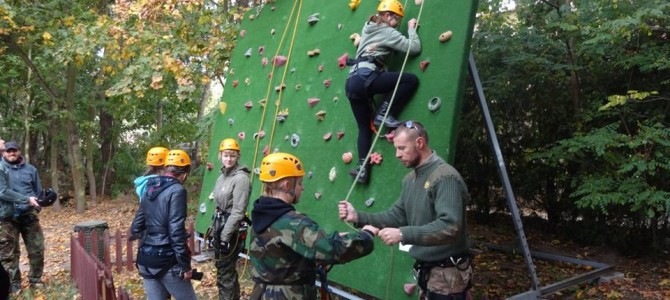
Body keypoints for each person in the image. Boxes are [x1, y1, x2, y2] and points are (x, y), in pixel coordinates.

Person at [338, 121, 473, 299]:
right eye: (396, 148)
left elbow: (450, 227)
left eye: (402, 148)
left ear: (419, 143)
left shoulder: (445, 177)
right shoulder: (410, 179)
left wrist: (403, 234)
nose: (397, 155)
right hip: (429, 274)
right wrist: (358, 216)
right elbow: (396, 216)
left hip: (447, 277)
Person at [249, 152, 378, 299]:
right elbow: (332, 250)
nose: (302, 188)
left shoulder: (262, 213)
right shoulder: (294, 223)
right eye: (299, 183)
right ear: (287, 185)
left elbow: (288, 251)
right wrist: (366, 235)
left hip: (261, 293)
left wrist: (332, 239)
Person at [345, 0, 421, 184]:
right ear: (387, 16)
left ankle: (363, 170)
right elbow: (414, 48)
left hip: (352, 82)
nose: (398, 25)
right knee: (410, 80)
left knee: (364, 128)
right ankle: (384, 113)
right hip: (367, 78)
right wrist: (411, 29)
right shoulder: (387, 31)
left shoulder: (368, 27)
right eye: (397, 20)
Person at [130, 149, 197, 300]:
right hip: (166, 260)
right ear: (184, 174)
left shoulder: (149, 186)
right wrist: (185, 266)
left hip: (146, 260)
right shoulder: (177, 190)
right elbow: (176, 230)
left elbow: (136, 227)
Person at [1, 141, 46, 290]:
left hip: (28, 213)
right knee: (9, 253)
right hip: (8, 216)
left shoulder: (31, 170)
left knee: (37, 248)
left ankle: (35, 280)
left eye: (14, 150)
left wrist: (37, 207)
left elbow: (38, 191)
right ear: (3, 153)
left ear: (19, 151)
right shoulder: (1, 169)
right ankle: (14, 284)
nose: (11, 153)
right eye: (8, 151)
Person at [211, 138, 251, 300]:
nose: (229, 159)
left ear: (237, 157)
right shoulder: (222, 176)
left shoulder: (241, 178)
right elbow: (219, 205)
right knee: (225, 270)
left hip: (231, 229)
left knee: (225, 271)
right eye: (226, 155)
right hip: (220, 225)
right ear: (220, 155)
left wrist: (225, 236)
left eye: (232, 156)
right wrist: (213, 229)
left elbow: (238, 211)